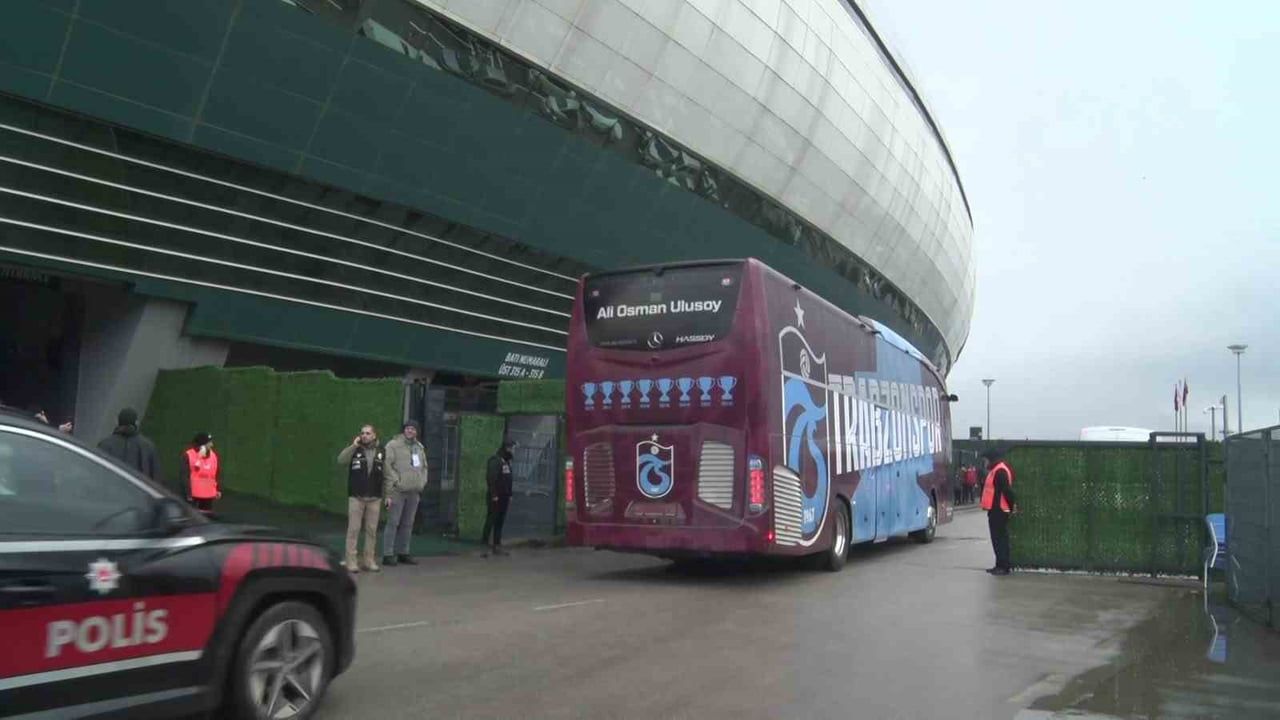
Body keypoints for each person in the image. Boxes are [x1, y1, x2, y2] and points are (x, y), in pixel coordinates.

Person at [381, 421, 429, 567]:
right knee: (393, 523)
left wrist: (422, 481)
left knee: (408, 524)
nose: (410, 431)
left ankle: (403, 552)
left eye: (413, 429)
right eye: (407, 428)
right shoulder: (393, 445)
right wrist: (396, 482)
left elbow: (424, 467)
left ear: (416, 432)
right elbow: (386, 465)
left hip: (414, 491)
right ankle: (388, 554)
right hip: (398, 491)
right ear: (403, 430)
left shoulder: (419, 447)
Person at [338, 424, 385, 573]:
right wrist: (353, 445)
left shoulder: (381, 452)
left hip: (374, 497)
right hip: (356, 497)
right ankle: (351, 562)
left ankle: (369, 561)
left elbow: (388, 474)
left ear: (374, 436)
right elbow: (341, 460)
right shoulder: (355, 450)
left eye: (368, 433)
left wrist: (388, 495)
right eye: (363, 433)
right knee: (353, 530)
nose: (364, 435)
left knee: (371, 531)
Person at [97, 408, 162, 482]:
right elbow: (156, 478)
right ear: (136, 423)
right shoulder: (148, 447)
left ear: (117, 422)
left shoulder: (105, 444)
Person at [980, 447, 1017, 576]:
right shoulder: (995, 470)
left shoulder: (1000, 471)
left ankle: (1003, 566)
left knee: (1000, 539)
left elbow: (1007, 490)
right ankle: (999, 565)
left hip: (999, 510)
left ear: (991, 459)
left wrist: (1012, 507)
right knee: (997, 538)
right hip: (995, 509)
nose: (984, 463)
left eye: (985, 460)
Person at [481, 439, 516, 557]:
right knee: (491, 519)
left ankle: (497, 545)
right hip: (495, 497)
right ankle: (483, 545)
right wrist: (494, 494)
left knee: (500, 521)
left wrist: (510, 494)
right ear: (506, 448)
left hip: (504, 497)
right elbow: (491, 478)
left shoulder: (507, 462)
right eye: (512, 448)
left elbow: (509, 479)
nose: (513, 450)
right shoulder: (495, 460)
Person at [180, 432, 221, 512]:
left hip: (208, 496)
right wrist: (188, 493)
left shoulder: (214, 456)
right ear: (202, 445)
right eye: (209, 443)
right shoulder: (188, 455)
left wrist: (217, 489)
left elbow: (215, 474)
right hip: (194, 496)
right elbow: (184, 476)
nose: (212, 445)